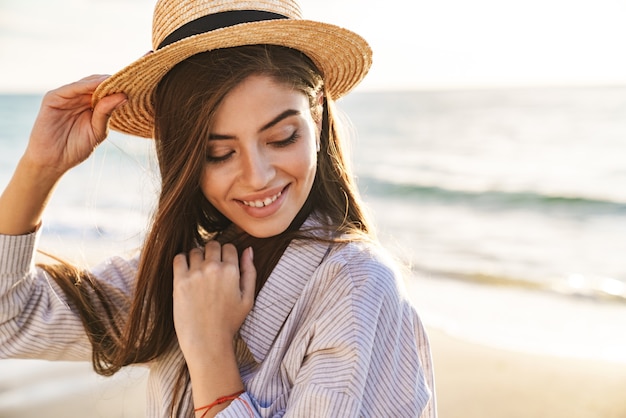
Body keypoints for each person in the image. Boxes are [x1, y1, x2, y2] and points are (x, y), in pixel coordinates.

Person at [0, 0, 436, 416]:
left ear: (317, 116)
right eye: (218, 153)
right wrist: (40, 167)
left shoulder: (356, 287)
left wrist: (209, 350)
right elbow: (9, 321)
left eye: (282, 137)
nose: (257, 176)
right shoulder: (188, 275)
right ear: (183, 157)